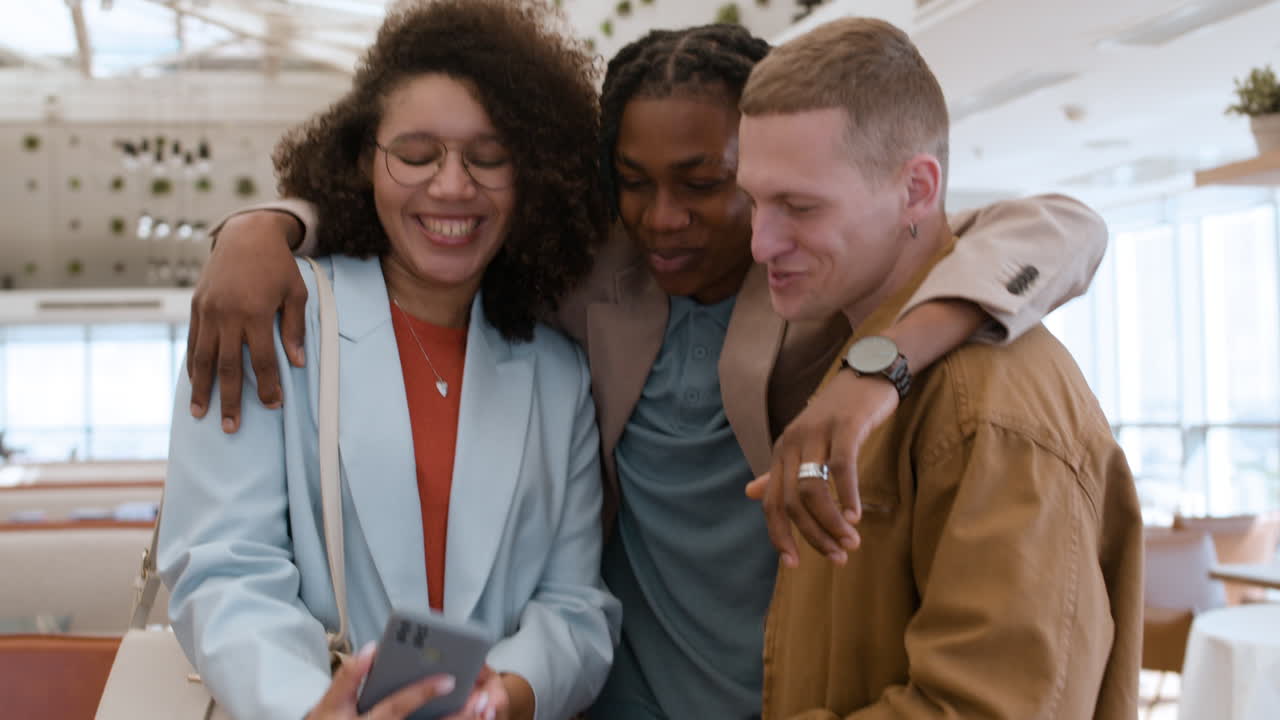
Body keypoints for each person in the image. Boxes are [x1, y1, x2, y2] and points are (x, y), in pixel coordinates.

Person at [187, 24, 1109, 720]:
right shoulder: (593, 281)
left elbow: (1054, 230)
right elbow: (437, 194)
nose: (664, 217)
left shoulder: (808, 282)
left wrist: (878, 367)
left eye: (711, 184)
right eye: (633, 181)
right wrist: (258, 230)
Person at [156, 3, 619, 719]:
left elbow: (575, 604)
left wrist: (509, 694)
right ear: (363, 160)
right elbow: (223, 566)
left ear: (534, 173)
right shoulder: (274, 314)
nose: (453, 186)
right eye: (416, 153)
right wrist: (317, 707)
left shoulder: (557, 374)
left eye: (489, 155)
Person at [737, 17, 1143, 719]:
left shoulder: (986, 403)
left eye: (799, 207)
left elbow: (990, 707)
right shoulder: (862, 344)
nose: (759, 241)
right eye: (753, 200)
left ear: (917, 190)